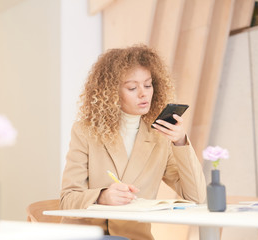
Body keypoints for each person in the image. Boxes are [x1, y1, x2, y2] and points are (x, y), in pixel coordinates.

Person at [60, 44, 206, 240]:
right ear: (111, 92)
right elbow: (68, 198)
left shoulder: (159, 137)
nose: (143, 94)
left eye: (148, 85)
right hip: (89, 236)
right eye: (132, 87)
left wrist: (180, 142)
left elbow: (197, 197)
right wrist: (102, 196)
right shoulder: (85, 132)